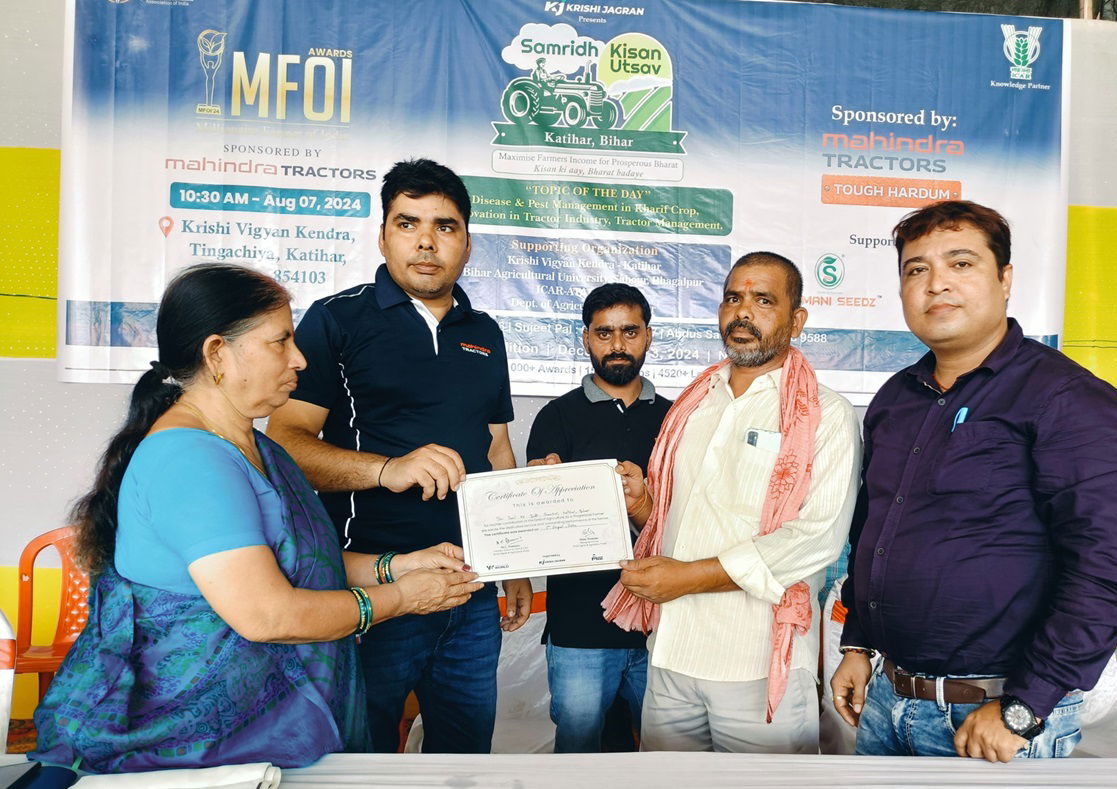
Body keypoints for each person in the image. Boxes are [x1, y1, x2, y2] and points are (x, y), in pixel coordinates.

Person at [29, 263, 482, 775]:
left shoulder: (255, 447)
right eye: (280, 342)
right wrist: (402, 598)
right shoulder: (189, 459)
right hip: (193, 748)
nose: (300, 358)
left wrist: (398, 566)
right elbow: (267, 614)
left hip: (264, 739)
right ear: (218, 353)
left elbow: (301, 563)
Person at [830, 200, 1117, 762]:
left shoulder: (1066, 399)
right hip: (888, 698)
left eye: (961, 264)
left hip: (994, 717)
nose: (936, 284)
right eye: (916, 269)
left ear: (1005, 280)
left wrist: (1025, 707)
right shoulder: (895, 400)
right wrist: (858, 643)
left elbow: (1108, 574)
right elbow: (876, 531)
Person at [266, 158, 532, 754]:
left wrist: (513, 559)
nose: (426, 242)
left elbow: (497, 447)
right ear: (383, 234)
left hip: (470, 587)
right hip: (372, 584)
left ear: (466, 241)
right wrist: (388, 470)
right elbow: (285, 443)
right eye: (408, 223)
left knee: (463, 755)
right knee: (362, 754)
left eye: (445, 226)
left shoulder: (485, 332)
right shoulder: (336, 319)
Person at [602, 252, 859, 754]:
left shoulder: (826, 414)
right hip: (671, 653)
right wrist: (641, 505)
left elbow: (816, 540)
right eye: (733, 298)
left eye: (764, 300)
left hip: (757, 664)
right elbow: (676, 516)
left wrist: (687, 578)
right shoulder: (694, 403)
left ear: (796, 320)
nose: (743, 312)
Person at [525, 283, 672, 753]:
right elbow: (546, 524)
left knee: (667, 758)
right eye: (604, 333)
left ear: (648, 336)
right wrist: (541, 495)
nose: (617, 344)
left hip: (664, 627)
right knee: (578, 752)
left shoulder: (678, 418)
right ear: (585, 339)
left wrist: (643, 503)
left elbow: (694, 517)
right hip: (579, 626)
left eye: (629, 331)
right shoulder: (556, 417)